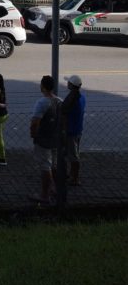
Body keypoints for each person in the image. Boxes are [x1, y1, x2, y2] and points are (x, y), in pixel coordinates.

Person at [30, 75, 61, 204]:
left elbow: (35, 122)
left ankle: (44, 195)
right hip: (56, 138)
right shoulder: (60, 101)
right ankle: (55, 188)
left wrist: (33, 134)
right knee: (54, 165)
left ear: (42, 86)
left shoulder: (42, 102)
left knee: (45, 167)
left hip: (43, 139)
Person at [62, 75, 86, 187]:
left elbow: (64, 111)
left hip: (71, 131)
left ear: (71, 85)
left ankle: (75, 178)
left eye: (69, 83)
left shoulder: (72, 99)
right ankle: (71, 174)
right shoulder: (81, 97)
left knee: (73, 156)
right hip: (78, 129)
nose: (67, 84)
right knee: (72, 154)